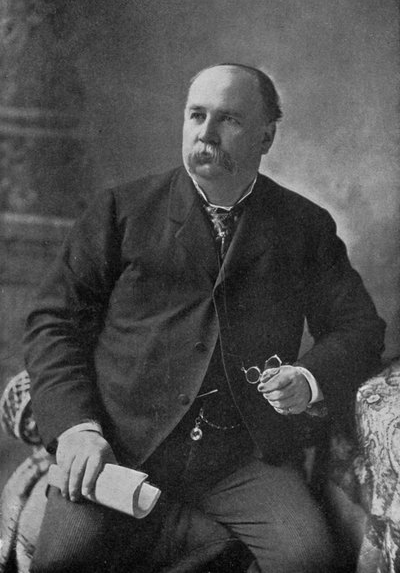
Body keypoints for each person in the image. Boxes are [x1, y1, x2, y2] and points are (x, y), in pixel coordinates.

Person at [24, 63, 385, 573]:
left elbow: (360, 329)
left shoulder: (304, 226)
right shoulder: (121, 211)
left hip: (239, 457)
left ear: (266, 137)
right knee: (60, 564)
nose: (207, 133)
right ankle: (187, 534)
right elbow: (54, 324)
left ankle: (181, 531)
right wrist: (79, 430)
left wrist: (309, 380)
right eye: (197, 115)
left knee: (309, 560)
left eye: (229, 119)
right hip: (121, 443)